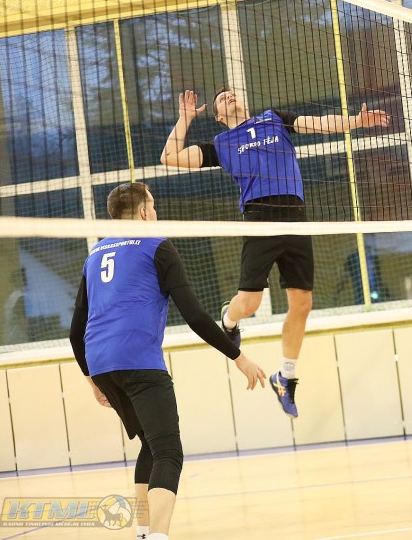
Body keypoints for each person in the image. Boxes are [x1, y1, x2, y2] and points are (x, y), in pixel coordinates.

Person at [159, 89, 389, 417]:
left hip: (295, 217)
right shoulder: (221, 144)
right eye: (222, 99)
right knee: (249, 305)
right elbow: (169, 157)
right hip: (259, 220)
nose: (230, 97)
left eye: (232, 93)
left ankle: (286, 377)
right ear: (219, 117)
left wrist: (356, 122)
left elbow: (321, 123)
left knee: (302, 303)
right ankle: (229, 319)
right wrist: (184, 119)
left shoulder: (274, 119)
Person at [69, 182, 267, 540]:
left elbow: (74, 331)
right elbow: (194, 314)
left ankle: (143, 532)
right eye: (154, 206)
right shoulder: (157, 245)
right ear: (144, 212)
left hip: (100, 362)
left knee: (150, 444)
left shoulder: (94, 254)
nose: (156, 213)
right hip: (137, 359)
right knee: (168, 452)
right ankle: (158, 535)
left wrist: (91, 379)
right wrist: (238, 356)